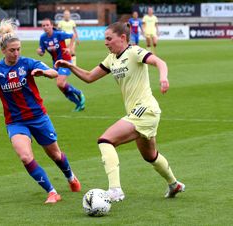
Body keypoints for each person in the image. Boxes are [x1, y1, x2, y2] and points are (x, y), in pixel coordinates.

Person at [0, 19, 81, 204]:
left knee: (55, 155)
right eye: (12, 50)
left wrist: (42, 73)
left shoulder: (27, 63)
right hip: (15, 122)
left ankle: (70, 177)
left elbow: (53, 72)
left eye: (19, 48)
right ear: (3, 50)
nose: (16, 53)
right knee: (25, 156)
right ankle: (52, 192)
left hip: (38, 117)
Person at [55, 22, 185, 202]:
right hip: (141, 112)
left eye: (109, 38)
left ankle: (115, 190)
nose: (106, 43)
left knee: (105, 141)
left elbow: (159, 62)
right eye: (105, 39)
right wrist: (70, 66)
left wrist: (163, 78)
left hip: (145, 109)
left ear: (122, 38)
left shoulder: (134, 52)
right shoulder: (111, 58)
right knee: (150, 156)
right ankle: (174, 184)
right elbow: (89, 77)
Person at [37, 18, 85, 112]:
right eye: (43, 25)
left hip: (65, 60)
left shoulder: (58, 34)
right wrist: (39, 52)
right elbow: (42, 52)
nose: (46, 27)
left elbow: (73, 35)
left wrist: (70, 48)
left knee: (60, 83)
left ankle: (79, 93)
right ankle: (78, 104)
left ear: (51, 25)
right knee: (61, 86)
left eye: (47, 25)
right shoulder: (43, 38)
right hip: (56, 63)